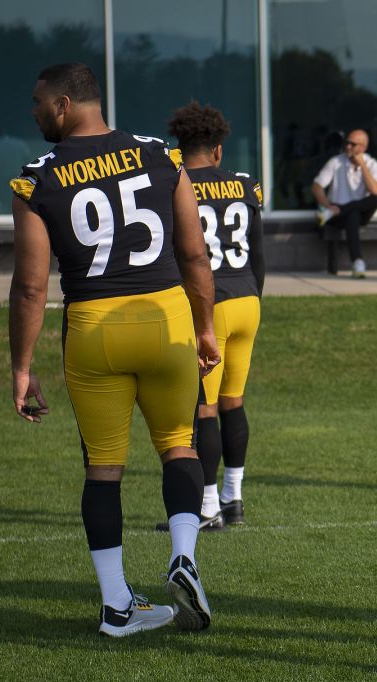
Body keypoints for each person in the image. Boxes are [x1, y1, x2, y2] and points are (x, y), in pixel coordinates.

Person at [8, 63, 220, 637]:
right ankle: (183, 555)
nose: (32, 111)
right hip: (165, 315)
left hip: (94, 324)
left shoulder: (38, 177)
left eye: (37, 101)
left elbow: (31, 285)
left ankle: (117, 603)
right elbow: (196, 255)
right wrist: (205, 327)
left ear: (64, 104)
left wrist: (22, 368)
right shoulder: (159, 154)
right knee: (179, 446)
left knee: (103, 469)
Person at [155, 101, 264, 531]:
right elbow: (258, 252)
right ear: (218, 150)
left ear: (179, 149)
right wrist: (255, 296)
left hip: (208, 303)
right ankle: (233, 497)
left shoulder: (173, 184)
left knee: (205, 409)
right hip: (247, 299)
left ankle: (207, 507)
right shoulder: (243, 184)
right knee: (234, 402)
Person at [312, 129, 377, 278]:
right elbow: (317, 186)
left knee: (374, 199)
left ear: (363, 147)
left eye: (353, 144)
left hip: (352, 213)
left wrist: (362, 166)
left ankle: (341, 210)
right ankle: (357, 262)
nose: (348, 146)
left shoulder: (372, 164)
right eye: (346, 143)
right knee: (353, 214)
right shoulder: (336, 162)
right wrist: (327, 205)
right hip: (339, 216)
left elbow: (375, 190)